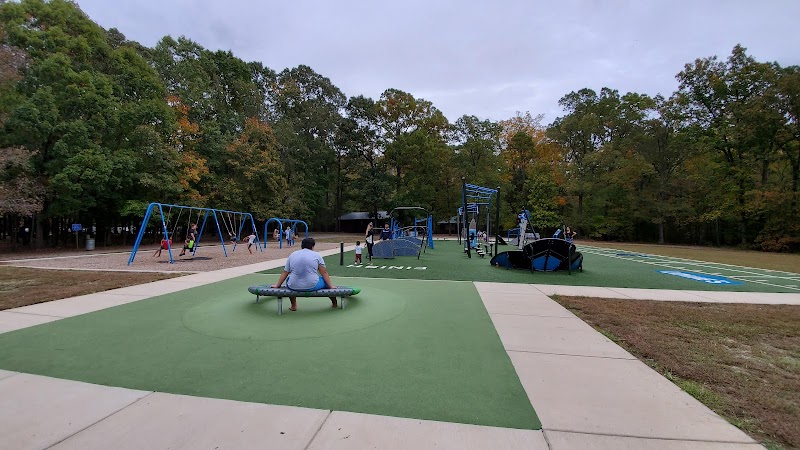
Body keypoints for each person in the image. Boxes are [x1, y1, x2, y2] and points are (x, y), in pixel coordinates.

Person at [272, 237, 337, 311]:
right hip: (312, 285)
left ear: (301, 246)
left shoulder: (293, 254)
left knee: (289, 279)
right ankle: (334, 303)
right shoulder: (316, 255)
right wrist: (330, 286)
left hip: (293, 285)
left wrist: (278, 285)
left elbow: (285, 272)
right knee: (325, 282)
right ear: (312, 246)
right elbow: (324, 272)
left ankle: (293, 305)